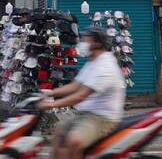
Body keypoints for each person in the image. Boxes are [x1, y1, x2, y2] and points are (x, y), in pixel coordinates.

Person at [37, 25, 125, 159]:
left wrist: (50, 105)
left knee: (74, 140)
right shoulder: (92, 62)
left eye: (86, 39)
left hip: (102, 118)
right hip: (85, 114)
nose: (82, 43)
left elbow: (81, 95)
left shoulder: (105, 66)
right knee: (58, 131)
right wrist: (48, 93)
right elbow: (75, 86)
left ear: (96, 42)